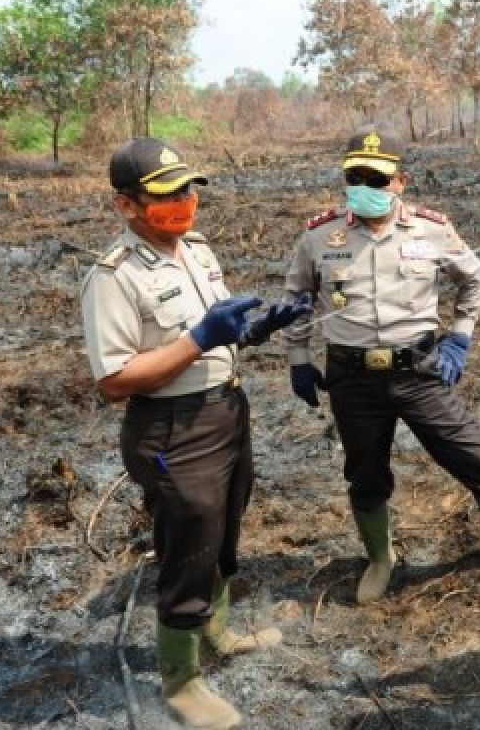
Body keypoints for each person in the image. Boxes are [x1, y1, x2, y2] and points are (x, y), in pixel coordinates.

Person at [81, 137, 310, 730]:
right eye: (165, 195)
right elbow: (113, 381)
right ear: (125, 206)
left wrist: (253, 332)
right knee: (189, 541)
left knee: (226, 521)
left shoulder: (197, 250)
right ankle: (181, 682)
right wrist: (200, 340)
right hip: (170, 430)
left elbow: (210, 332)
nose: (182, 202)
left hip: (226, 411)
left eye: (187, 190)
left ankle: (218, 630)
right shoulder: (114, 277)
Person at [280, 131, 480, 604]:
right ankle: (380, 559)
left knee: (476, 459)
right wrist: (299, 360)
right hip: (351, 376)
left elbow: (474, 279)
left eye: (377, 179)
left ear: (400, 182)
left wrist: (461, 335)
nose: (364, 185)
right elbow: (298, 299)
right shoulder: (320, 235)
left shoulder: (431, 229)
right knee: (365, 473)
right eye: (355, 177)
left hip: (420, 371)